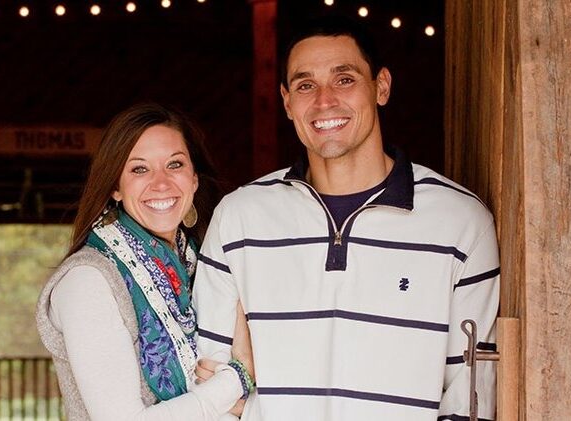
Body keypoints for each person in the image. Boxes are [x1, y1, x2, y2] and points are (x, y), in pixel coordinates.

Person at [193, 17, 500, 421]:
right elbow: (212, 386)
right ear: (287, 102)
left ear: (381, 86)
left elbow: (470, 398)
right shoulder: (239, 219)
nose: (324, 101)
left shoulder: (460, 223)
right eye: (305, 85)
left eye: (344, 79)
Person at [36, 102, 253, 420]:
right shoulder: (88, 279)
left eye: (175, 164)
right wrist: (238, 378)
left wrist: (244, 402)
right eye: (139, 169)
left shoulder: (206, 264)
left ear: (194, 179)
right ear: (115, 187)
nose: (161, 183)